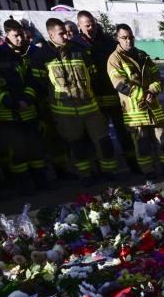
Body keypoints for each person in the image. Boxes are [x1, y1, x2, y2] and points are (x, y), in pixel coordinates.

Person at [31, 18, 118, 183]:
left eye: (66, 32)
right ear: (50, 34)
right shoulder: (42, 56)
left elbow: (93, 75)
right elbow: (40, 85)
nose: (65, 36)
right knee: (76, 145)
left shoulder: (79, 50)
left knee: (103, 140)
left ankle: (109, 171)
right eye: (61, 33)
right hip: (65, 112)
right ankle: (85, 175)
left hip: (90, 108)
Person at [0, 20, 49, 194]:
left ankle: (41, 180)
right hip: (5, 116)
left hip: (27, 110)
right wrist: (10, 102)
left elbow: (29, 78)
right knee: (17, 153)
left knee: (35, 148)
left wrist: (28, 97)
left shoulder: (11, 55)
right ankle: (25, 185)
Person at [108, 24, 164, 178]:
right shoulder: (114, 59)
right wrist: (144, 94)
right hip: (135, 112)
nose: (128, 41)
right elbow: (119, 83)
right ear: (117, 38)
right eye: (124, 38)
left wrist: (153, 89)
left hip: (153, 107)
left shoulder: (142, 55)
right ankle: (148, 171)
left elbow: (157, 76)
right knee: (142, 144)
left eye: (131, 37)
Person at [77, 11, 137, 174]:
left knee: (124, 132)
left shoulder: (108, 43)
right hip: (93, 100)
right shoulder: (76, 46)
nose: (91, 28)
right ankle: (103, 169)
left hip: (113, 96)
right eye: (87, 25)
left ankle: (133, 163)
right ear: (79, 26)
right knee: (99, 137)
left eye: (93, 24)